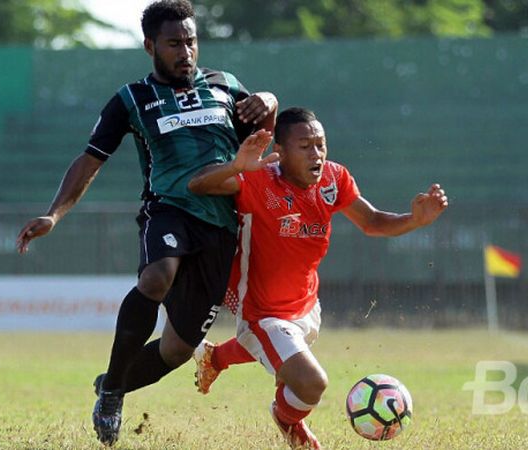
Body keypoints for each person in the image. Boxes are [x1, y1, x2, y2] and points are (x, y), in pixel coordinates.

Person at [14, 0, 278, 445]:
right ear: (149, 46)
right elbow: (91, 159)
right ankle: (114, 394)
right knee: (156, 279)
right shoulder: (131, 99)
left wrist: (268, 100)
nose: (186, 51)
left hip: (221, 225)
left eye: (191, 41)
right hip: (169, 208)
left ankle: (111, 380)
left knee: (178, 349)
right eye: (174, 43)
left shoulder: (226, 85)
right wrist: (54, 213)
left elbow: (262, 136)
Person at [187, 107, 448, 449]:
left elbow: (372, 222)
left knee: (284, 356)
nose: (317, 154)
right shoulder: (257, 178)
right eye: (306, 145)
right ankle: (285, 420)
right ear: (279, 151)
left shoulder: (333, 179)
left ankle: (214, 358)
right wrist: (237, 165)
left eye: (321, 144)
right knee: (311, 383)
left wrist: (414, 220)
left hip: (307, 304)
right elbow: (197, 185)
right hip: (262, 314)